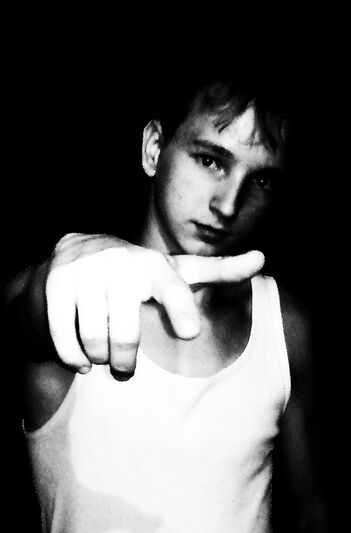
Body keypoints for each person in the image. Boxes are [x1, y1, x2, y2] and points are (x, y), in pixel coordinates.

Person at [4, 69, 329, 532]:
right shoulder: (79, 301)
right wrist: (63, 276)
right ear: (154, 148)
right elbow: (26, 315)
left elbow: (312, 507)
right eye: (211, 161)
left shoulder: (283, 323)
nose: (228, 205)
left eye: (261, 181)